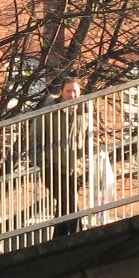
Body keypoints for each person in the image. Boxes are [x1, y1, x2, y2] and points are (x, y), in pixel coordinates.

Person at [36, 77, 90, 237]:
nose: (72, 95)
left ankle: (60, 238)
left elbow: (88, 140)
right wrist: (42, 163)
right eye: (68, 91)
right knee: (68, 200)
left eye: (75, 91)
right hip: (52, 165)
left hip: (75, 168)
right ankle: (75, 236)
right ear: (61, 92)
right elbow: (35, 139)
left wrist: (85, 163)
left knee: (66, 203)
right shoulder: (49, 111)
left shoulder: (84, 113)